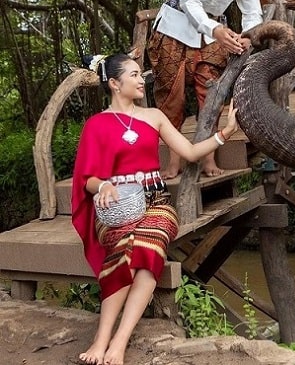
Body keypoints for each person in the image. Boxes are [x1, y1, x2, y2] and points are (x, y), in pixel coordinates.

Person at [72, 52, 239, 365]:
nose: (140, 80)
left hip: (157, 204)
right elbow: (88, 178)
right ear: (113, 83)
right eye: (133, 75)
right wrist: (104, 186)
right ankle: (101, 339)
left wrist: (224, 134)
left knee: (148, 250)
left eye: (140, 74)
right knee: (126, 251)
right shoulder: (96, 125)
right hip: (116, 207)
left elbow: (189, 151)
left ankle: (118, 343)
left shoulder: (155, 116)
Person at [148, 0, 265, 179]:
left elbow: (252, 12)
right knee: (171, 97)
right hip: (175, 28)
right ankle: (173, 161)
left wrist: (248, 35)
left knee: (211, 93)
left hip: (213, 34)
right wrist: (215, 29)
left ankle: (208, 160)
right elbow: (189, 3)